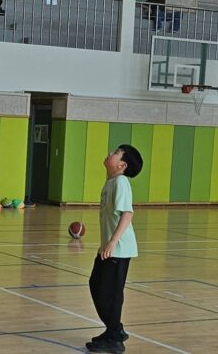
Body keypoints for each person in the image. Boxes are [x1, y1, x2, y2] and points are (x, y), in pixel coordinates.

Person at [85, 144, 143, 354]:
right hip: (109, 247)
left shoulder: (121, 182)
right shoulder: (111, 181)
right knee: (96, 285)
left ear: (122, 165)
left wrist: (111, 242)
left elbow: (127, 214)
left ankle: (115, 338)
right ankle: (114, 330)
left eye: (116, 153)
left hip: (119, 248)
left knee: (111, 293)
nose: (110, 153)